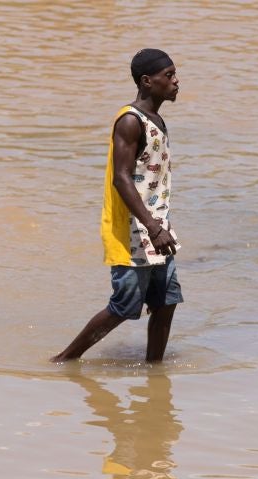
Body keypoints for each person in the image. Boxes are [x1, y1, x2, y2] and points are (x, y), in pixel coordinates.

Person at [52, 49, 183, 363]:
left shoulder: (157, 120)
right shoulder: (129, 121)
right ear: (146, 82)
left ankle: (155, 374)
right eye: (169, 76)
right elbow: (121, 179)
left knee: (166, 303)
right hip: (135, 232)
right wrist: (151, 226)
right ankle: (64, 361)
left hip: (158, 230)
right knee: (123, 306)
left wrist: (159, 226)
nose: (176, 81)